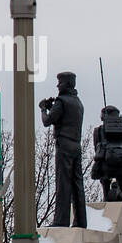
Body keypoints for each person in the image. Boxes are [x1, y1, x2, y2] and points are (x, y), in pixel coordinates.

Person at [39, 71, 86, 228]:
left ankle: (61, 220)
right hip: (76, 145)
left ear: (66, 84)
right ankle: (81, 221)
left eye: (60, 83)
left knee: (63, 183)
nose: (58, 86)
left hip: (64, 144)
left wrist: (43, 109)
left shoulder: (62, 101)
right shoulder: (78, 103)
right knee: (77, 184)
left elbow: (47, 121)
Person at [91, 105, 122, 202]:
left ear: (103, 116)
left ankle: (106, 195)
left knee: (103, 175)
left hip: (105, 168)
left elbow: (97, 150)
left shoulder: (98, 130)